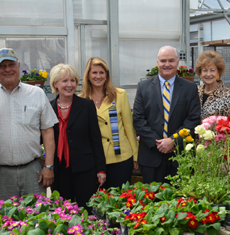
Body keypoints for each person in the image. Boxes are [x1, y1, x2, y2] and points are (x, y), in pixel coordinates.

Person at [0, 48, 58, 201]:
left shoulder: (37, 93)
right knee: (2, 219)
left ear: (19, 65)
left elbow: (48, 131)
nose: (7, 69)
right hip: (0, 173)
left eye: (11, 64)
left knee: (37, 219)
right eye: (2, 66)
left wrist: (49, 166)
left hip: (33, 172)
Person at [133, 46, 201, 183]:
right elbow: (138, 119)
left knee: (181, 201)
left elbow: (193, 119)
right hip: (152, 156)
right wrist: (158, 143)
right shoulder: (143, 87)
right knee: (151, 201)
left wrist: (173, 141)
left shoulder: (190, 88)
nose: (167, 64)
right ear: (157, 62)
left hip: (180, 156)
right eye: (163, 60)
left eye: (171, 60)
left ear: (177, 63)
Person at [49, 63, 106, 213]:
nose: (70, 85)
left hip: (84, 168)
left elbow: (95, 138)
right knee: (62, 211)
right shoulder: (48, 107)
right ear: (55, 84)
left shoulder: (86, 105)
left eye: (73, 81)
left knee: (87, 210)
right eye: (65, 81)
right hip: (59, 170)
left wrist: (101, 169)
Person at [80, 57, 138, 188]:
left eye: (102, 72)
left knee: (120, 200)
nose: (98, 76)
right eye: (94, 72)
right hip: (94, 159)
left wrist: (135, 155)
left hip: (121, 157)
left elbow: (129, 127)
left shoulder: (120, 94)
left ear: (107, 75)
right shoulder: (81, 100)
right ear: (88, 75)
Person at [195, 50, 230, 127]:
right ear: (200, 73)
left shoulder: (229, 96)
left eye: (212, 70)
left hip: (216, 138)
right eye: (205, 70)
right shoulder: (194, 91)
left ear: (219, 72)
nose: (208, 74)